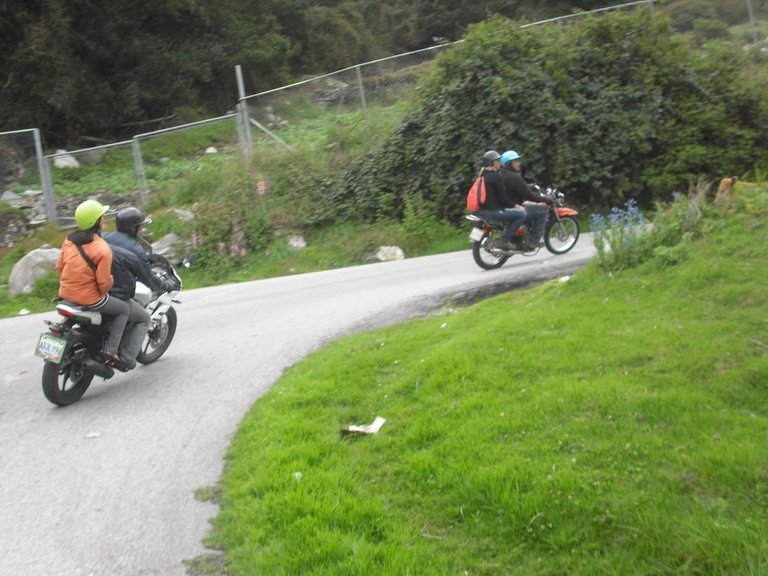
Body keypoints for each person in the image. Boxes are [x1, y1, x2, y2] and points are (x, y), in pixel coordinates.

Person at [55, 199, 130, 363]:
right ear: (96, 222)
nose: (104, 220)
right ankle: (111, 351)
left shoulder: (68, 241)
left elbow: (59, 268)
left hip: (65, 295)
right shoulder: (102, 248)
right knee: (123, 309)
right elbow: (103, 284)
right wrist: (110, 280)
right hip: (90, 299)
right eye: (101, 217)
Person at [103, 207, 177, 369]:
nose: (141, 229)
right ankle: (127, 358)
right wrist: (166, 286)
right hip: (115, 292)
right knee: (144, 318)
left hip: (97, 287)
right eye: (140, 226)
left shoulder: (104, 237)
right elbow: (148, 278)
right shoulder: (135, 251)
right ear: (134, 228)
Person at [471, 150, 527, 251]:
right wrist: (517, 206)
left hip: (478, 211)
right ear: (491, 163)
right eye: (497, 161)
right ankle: (505, 241)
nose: (499, 163)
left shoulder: (481, 175)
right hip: (492, 212)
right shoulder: (496, 176)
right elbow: (503, 199)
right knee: (521, 214)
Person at [499, 150, 552, 251]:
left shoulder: (500, 174)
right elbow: (530, 197)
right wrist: (546, 199)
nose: (519, 163)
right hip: (513, 209)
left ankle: (521, 236)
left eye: (518, 160)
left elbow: (513, 188)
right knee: (543, 210)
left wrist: (526, 186)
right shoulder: (514, 177)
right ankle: (533, 242)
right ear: (509, 163)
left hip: (501, 208)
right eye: (516, 160)